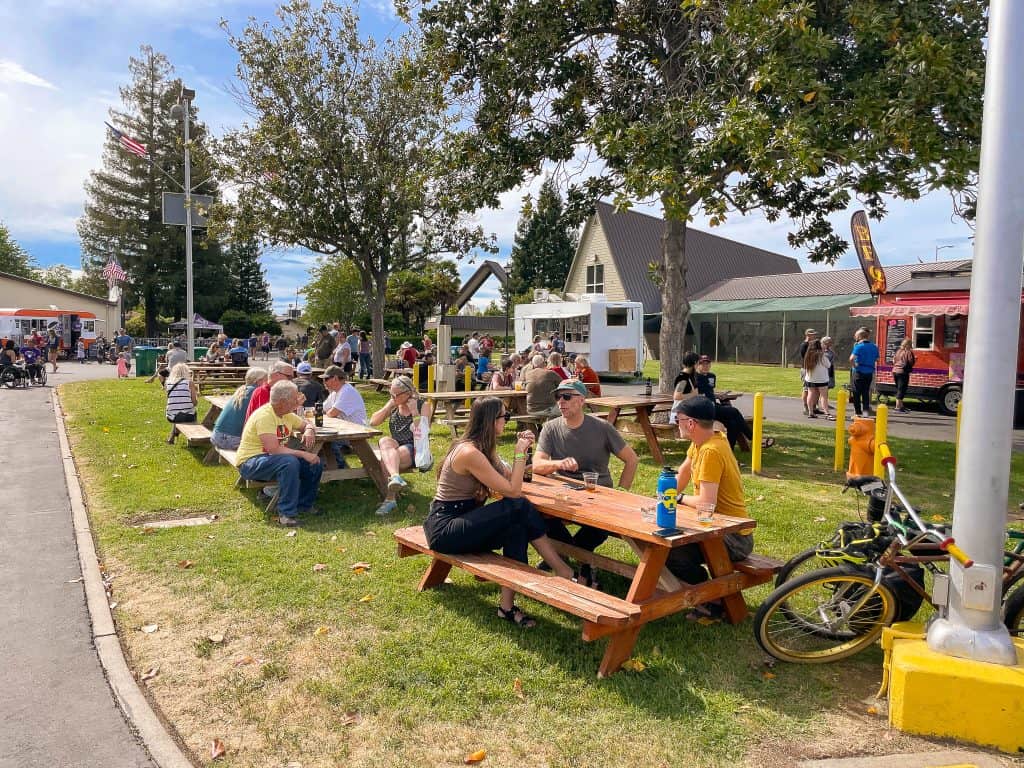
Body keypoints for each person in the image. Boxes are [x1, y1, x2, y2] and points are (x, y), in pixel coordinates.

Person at [425, 396, 577, 627]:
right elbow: (513, 492)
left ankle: (507, 607)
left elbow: (510, 477)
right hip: (445, 528)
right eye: (505, 416)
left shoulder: (484, 450)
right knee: (520, 506)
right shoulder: (469, 452)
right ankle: (562, 569)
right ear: (490, 421)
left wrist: (525, 453)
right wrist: (517, 452)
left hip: (463, 521)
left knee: (517, 527)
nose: (508, 420)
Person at [532, 379, 639, 586]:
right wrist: (558, 463)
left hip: (598, 494)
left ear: (582, 400)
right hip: (563, 494)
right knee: (534, 515)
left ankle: (573, 556)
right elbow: (537, 464)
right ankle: (572, 559)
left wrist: (621, 493)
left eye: (566, 397)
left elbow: (632, 459)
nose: (560, 402)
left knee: (602, 524)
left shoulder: (602, 428)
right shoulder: (550, 428)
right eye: (557, 397)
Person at [666, 396, 754, 604]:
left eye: (677, 419)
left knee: (669, 554)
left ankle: (709, 596)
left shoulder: (710, 451)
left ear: (691, 423)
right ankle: (705, 594)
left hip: (734, 537)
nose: (675, 423)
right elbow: (682, 474)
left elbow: (707, 503)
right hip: (716, 527)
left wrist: (678, 498)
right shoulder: (706, 440)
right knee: (664, 548)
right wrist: (663, 496)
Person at [236, 380, 323, 526]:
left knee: (314, 463)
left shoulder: (286, 413)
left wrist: (308, 430)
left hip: (271, 459)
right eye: (295, 398)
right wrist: (303, 454)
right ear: (283, 401)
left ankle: (304, 505)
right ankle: (286, 515)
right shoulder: (265, 416)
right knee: (289, 462)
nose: (298, 400)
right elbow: (273, 449)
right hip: (250, 462)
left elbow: (306, 423)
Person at [368, 375, 432, 516]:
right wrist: (389, 405)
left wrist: (415, 412)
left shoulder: (423, 405)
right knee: (384, 440)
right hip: (395, 445)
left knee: (386, 459)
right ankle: (396, 477)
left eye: (395, 395)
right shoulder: (394, 404)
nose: (393, 397)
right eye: (391, 394)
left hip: (414, 447)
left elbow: (421, 432)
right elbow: (373, 422)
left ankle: (390, 499)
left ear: (408, 393)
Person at [695, 355, 758, 446]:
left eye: (707, 364)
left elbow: (709, 391)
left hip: (714, 407)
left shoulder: (712, 376)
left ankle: (728, 451)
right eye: (702, 364)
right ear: (698, 365)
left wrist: (718, 396)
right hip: (705, 409)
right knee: (734, 411)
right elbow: (695, 394)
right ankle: (753, 438)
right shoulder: (695, 378)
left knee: (733, 423)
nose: (705, 366)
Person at [211, 368, 269, 450]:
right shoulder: (257, 392)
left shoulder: (241, 390)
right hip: (232, 440)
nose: (268, 382)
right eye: (266, 379)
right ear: (259, 381)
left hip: (216, 436)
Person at [849, 327, 880, 417]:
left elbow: (851, 359)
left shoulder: (859, 346)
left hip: (859, 371)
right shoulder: (874, 346)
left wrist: (855, 365)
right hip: (869, 372)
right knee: (866, 392)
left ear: (860, 336)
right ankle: (866, 413)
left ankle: (858, 413)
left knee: (856, 392)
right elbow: (877, 359)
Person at [164, 363, 198, 444]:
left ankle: (172, 437)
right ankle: (191, 441)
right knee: (190, 411)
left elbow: (171, 399)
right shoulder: (189, 383)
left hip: (171, 416)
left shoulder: (168, 383)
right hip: (187, 416)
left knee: (179, 411)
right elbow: (195, 402)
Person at [802, 340, 831, 420]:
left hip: (810, 378)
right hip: (822, 379)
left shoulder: (808, 355)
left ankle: (811, 412)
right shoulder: (822, 355)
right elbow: (828, 365)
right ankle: (827, 413)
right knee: (824, 396)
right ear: (819, 346)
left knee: (810, 394)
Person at [797, 328, 820, 416]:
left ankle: (813, 407)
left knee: (815, 389)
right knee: (806, 389)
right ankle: (805, 407)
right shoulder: (804, 345)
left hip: (813, 369)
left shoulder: (813, 344)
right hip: (806, 369)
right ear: (808, 335)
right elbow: (804, 357)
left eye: (815, 334)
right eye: (813, 334)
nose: (814, 336)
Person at [891, 338, 916, 413]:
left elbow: (893, 360)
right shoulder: (908, 352)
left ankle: (901, 406)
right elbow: (911, 362)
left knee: (899, 388)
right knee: (902, 389)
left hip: (895, 371)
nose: (911, 345)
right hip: (903, 372)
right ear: (908, 344)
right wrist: (915, 360)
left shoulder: (898, 351)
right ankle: (897, 407)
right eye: (910, 344)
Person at [821, 336, 837, 412]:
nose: (831, 343)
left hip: (830, 370)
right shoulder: (821, 351)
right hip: (824, 371)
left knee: (827, 387)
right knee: (823, 388)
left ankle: (825, 402)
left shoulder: (830, 350)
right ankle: (821, 404)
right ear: (825, 342)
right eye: (829, 341)